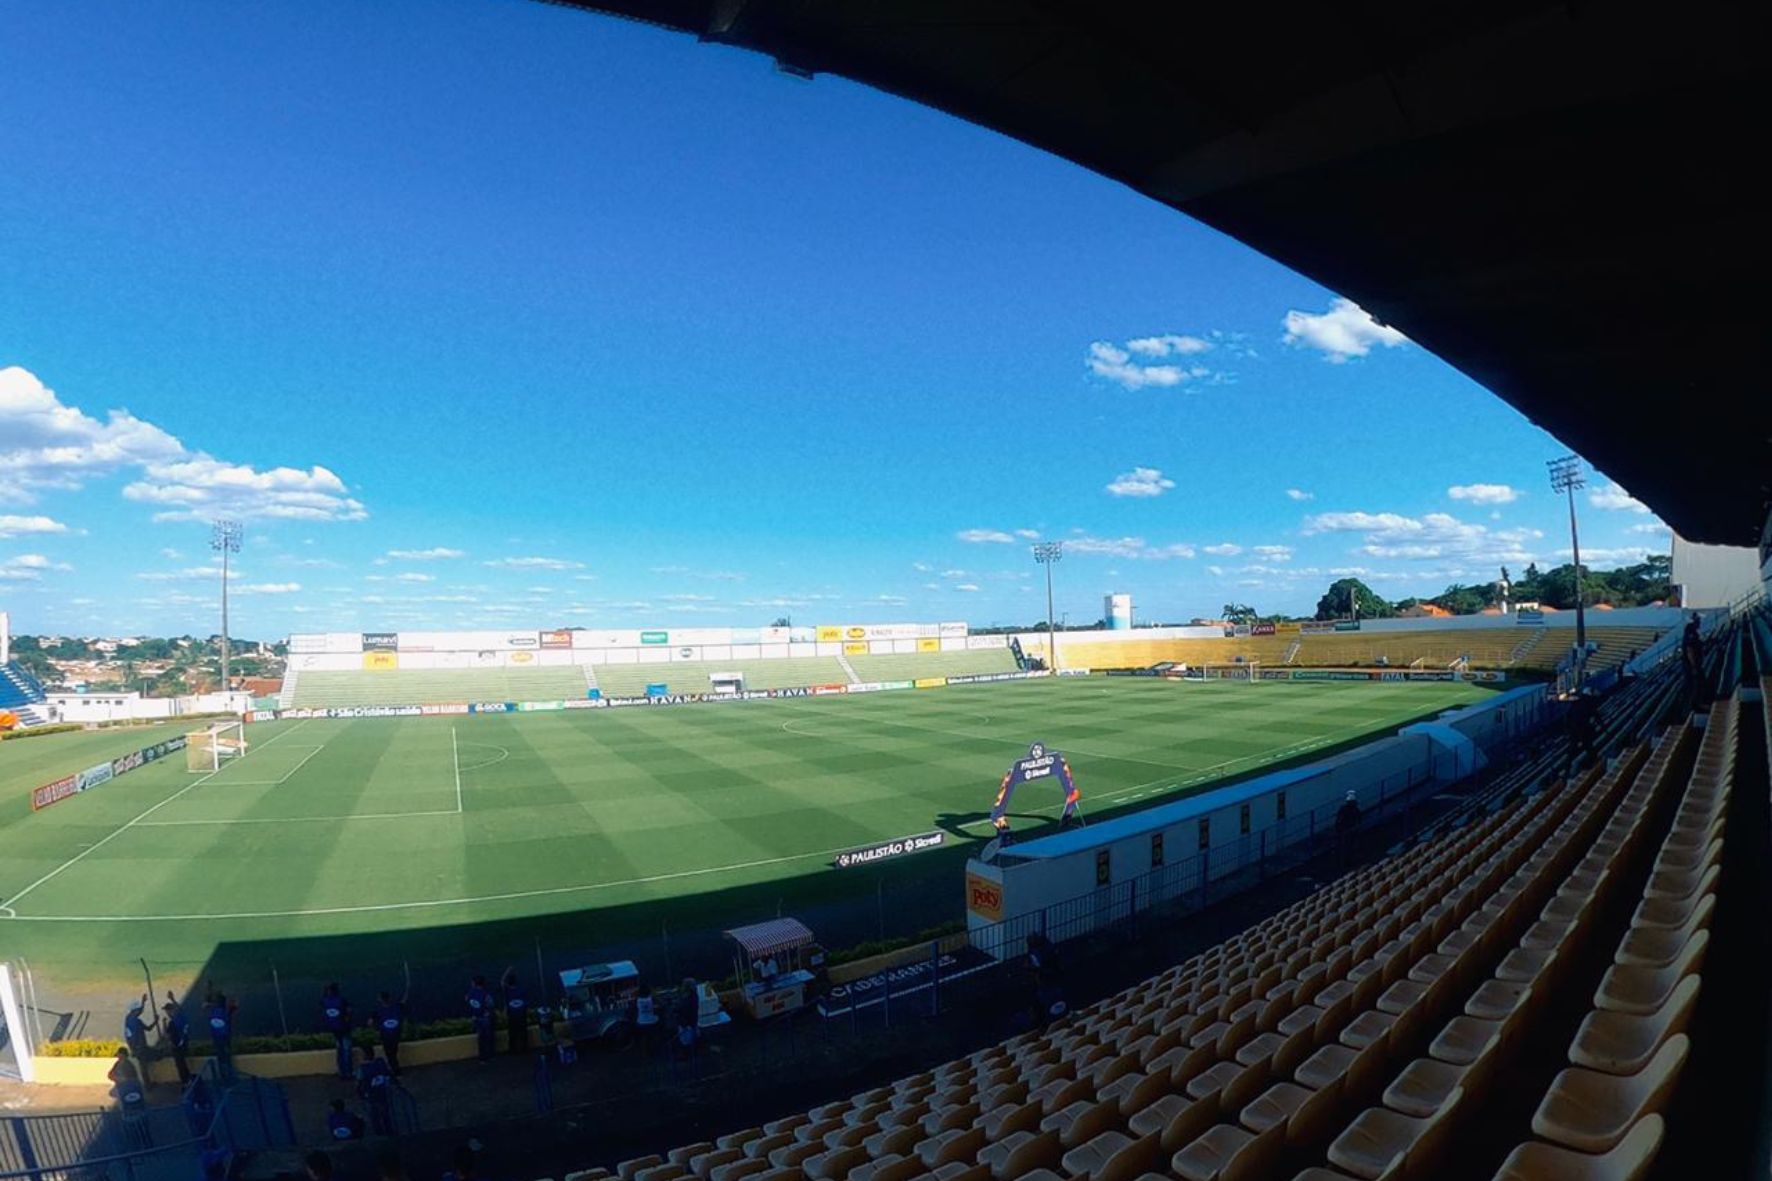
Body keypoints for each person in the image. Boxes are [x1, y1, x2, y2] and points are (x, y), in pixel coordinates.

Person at [356, 1044, 395, 1135]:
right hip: (383, 1092)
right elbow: (389, 1073)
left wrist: (360, 1093)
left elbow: (359, 1083)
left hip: (371, 1094)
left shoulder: (362, 1069)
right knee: (385, 1113)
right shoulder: (381, 1062)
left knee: (374, 1115)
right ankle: (389, 1130)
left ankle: (380, 1132)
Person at [204, 987, 237, 1083]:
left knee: (223, 1058)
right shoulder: (224, 1010)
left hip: (221, 1039)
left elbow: (205, 1005)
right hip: (223, 1039)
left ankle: (227, 1078)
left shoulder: (216, 1011)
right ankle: (227, 1078)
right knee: (225, 1058)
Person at [320, 983, 353, 1080]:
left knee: (341, 1051)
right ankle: (346, 1073)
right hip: (343, 1029)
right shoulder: (341, 1000)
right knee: (345, 1051)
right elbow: (349, 1012)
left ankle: (343, 1073)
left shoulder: (326, 1001)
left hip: (337, 1030)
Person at [373, 990, 406, 1077]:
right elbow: (403, 1001)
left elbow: (371, 1022)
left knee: (390, 1054)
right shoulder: (396, 1007)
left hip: (386, 1036)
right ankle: (395, 1070)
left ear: (381, 999)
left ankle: (396, 1071)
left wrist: (376, 1029)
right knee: (393, 1053)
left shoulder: (379, 1011)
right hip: (396, 1035)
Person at [160, 997, 192, 1084]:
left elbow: (165, 1036)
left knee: (180, 1066)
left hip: (177, 1047)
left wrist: (163, 1023)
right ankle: (189, 1080)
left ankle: (186, 1083)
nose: (166, 1013)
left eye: (167, 1011)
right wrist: (173, 999)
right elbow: (180, 1008)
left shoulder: (172, 1023)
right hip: (185, 1044)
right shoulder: (181, 1017)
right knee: (183, 1065)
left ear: (170, 1011)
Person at [466, 976, 495, 1062]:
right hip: (485, 1018)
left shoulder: (470, 992)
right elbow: (491, 1004)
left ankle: (482, 1058)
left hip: (476, 1018)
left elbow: (467, 1000)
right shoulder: (485, 993)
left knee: (481, 1038)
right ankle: (489, 1056)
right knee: (488, 1037)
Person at [108, 1047, 146, 1112]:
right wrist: (115, 1077)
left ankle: (124, 1111)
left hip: (129, 1087)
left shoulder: (129, 1064)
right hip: (120, 1086)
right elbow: (110, 1074)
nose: (118, 1057)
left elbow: (129, 1078)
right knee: (112, 1093)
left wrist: (117, 1078)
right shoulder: (117, 1063)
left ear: (123, 1055)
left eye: (119, 1054)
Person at [501, 971, 528, 1055]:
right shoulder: (521, 989)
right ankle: (525, 1049)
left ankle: (513, 1050)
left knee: (512, 1033)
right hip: (521, 1014)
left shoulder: (507, 990)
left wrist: (507, 971)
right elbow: (526, 1002)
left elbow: (502, 982)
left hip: (512, 1015)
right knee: (523, 1032)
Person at [123, 996, 157, 1061]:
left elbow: (140, 1011)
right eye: (139, 1010)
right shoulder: (137, 1022)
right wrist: (155, 1021)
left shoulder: (128, 1018)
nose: (141, 1011)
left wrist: (143, 1002)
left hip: (134, 1048)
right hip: (140, 1048)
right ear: (136, 1010)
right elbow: (149, 1029)